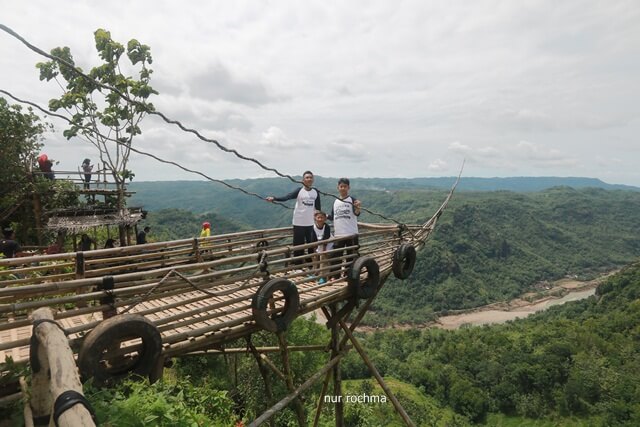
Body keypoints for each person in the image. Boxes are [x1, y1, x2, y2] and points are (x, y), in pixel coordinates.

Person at [266, 171, 320, 267]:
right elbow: (287, 197)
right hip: (299, 222)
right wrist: (274, 198)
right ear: (303, 180)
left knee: (311, 245)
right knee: (298, 245)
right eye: (307, 178)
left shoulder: (315, 192)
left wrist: (318, 215)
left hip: (310, 223)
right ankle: (298, 265)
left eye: (311, 177)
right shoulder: (299, 191)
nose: (309, 179)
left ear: (313, 179)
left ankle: (310, 265)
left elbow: (318, 207)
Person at [328, 178, 361, 279]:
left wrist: (358, 207)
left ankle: (349, 275)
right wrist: (324, 216)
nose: (343, 188)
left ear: (348, 187)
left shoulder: (352, 200)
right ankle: (336, 276)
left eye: (345, 186)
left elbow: (357, 213)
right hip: (339, 234)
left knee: (351, 256)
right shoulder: (335, 201)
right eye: (341, 186)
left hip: (351, 233)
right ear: (338, 187)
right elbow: (333, 217)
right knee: (336, 256)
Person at [311, 211, 332, 284]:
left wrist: (323, 251)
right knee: (314, 257)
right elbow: (313, 240)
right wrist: (315, 251)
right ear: (315, 218)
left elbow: (326, 240)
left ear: (325, 219)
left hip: (328, 244)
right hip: (319, 244)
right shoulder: (313, 227)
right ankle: (315, 273)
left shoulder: (326, 227)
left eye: (322, 217)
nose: (320, 219)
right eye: (318, 217)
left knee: (323, 257)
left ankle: (322, 277)